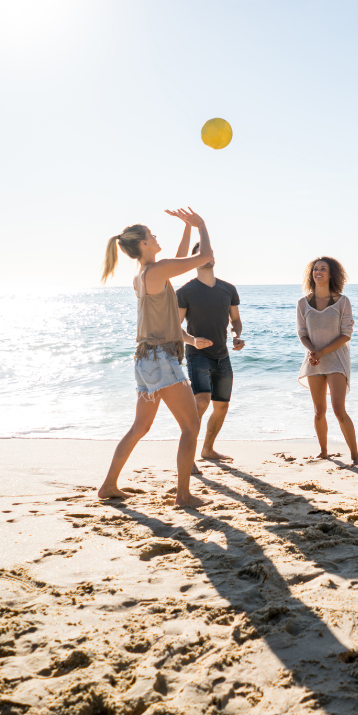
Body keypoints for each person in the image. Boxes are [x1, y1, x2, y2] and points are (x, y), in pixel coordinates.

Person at [97, 208, 214, 507]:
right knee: (190, 426)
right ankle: (184, 495)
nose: (156, 236)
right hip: (161, 359)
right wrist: (201, 226)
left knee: (140, 427)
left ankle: (109, 485)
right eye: (152, 235)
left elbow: (176, 264)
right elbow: (202, 258)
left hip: (146, 359)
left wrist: (187, 228)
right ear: (144, 244)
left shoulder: (144, 274)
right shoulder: (156, 271)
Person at [176, 242, 245, 466]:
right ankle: (188, 455)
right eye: (202, 253)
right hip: (197, 355)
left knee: (222, 405)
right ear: (194, 259)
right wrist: (193, 340)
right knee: (202, 400)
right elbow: (175, 327)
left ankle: (207, 449)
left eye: (210, 253)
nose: (208, 257)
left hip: (222, 355)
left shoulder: (228, 289)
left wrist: (236, 335)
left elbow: (235, 320)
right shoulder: (185, 291)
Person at [296, 257, 358, 467]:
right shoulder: (302, 303)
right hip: (314, 360)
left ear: (331, 274)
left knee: (338, 409)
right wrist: (313, 352)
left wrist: (322, 351)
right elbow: (302, 333)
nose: (318, 272)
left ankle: (355, 456)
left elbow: (346, 334)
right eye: (315, 269)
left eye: (323, 269)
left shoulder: (342, 302)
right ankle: (323, 452)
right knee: (318, 411)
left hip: (336, 360)